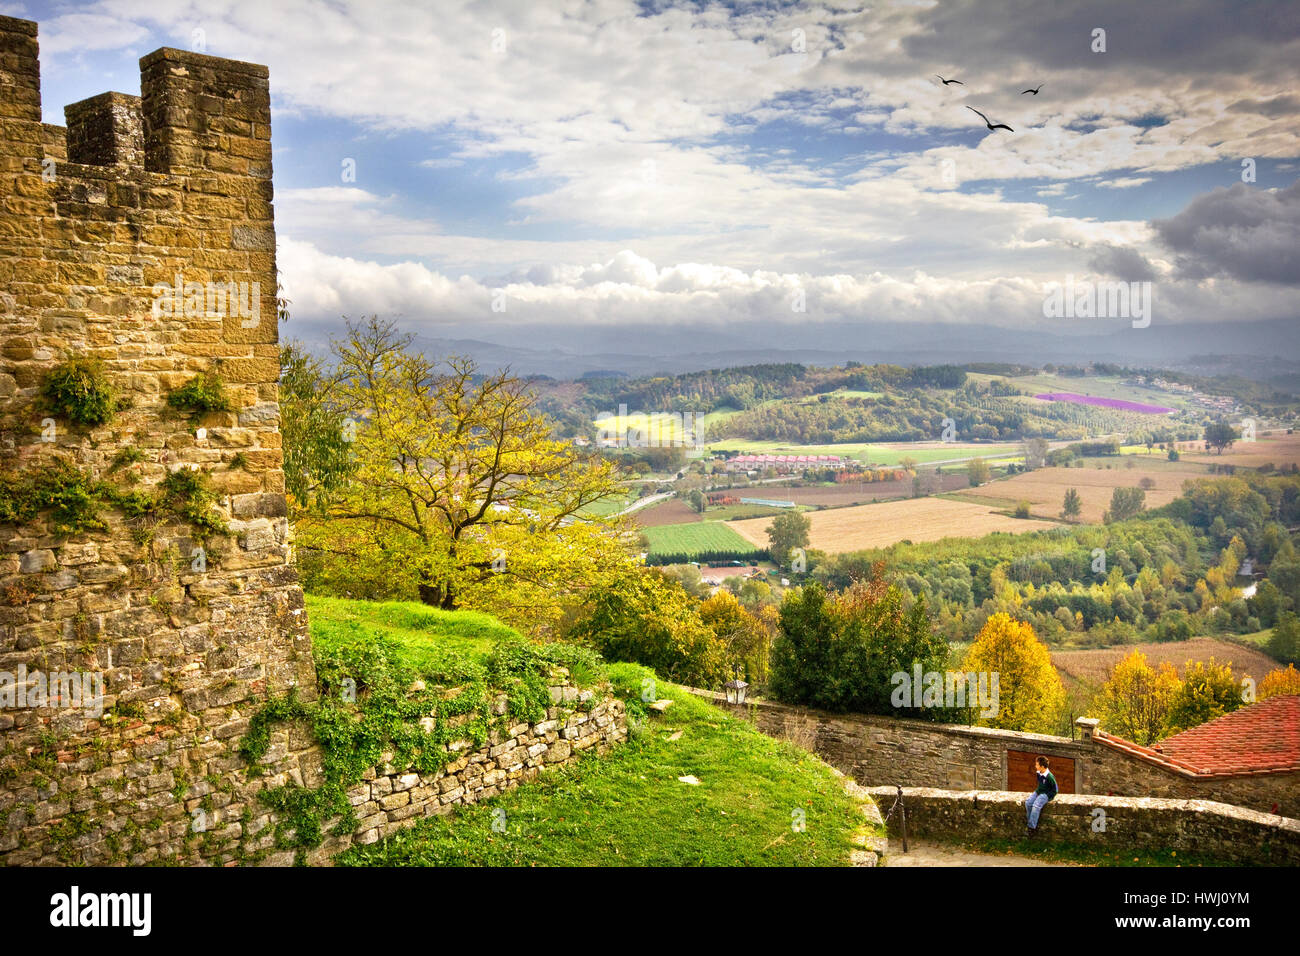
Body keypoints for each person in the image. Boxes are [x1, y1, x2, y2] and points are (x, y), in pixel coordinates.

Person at [1024, 755, 1057, 836]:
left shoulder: (1050, 777)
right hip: (1039, 791)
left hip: (1046, 794)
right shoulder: (1039, 773)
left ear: (1042, 767)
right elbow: (1041, 784)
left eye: (1037, 765)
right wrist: (1037, 792)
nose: (1035, 766)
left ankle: (1031, 828)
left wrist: (1048, 796)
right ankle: (1030, 822)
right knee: (1028, 803)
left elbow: (1055, 790)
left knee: (1036, 806)